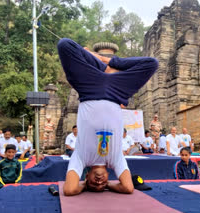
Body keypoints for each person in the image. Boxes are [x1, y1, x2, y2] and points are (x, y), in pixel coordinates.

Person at [57, 38, 158, 195]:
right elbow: (128, 188)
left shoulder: (81, 158)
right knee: (152, 64)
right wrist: (108, 186)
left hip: (88, 88)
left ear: (87, 176)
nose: (99, 183)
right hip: (117, 91)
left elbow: (69, 190)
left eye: (93, 184)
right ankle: (106, 65)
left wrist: (84, 186)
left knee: (64, 45)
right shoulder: (116, 159)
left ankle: (103, 65)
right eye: (101, 185)